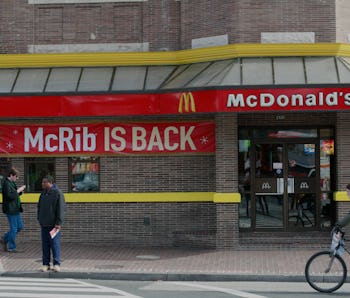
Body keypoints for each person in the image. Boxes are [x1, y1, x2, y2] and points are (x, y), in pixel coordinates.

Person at [37, 176, 65, 272]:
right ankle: (45, 264)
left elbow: (61, 208)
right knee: (45, 245)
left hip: (54, 225)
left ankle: (56, 264)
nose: (42, 184)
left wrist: (58, 222)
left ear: (50, 183)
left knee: (54, 244)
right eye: (42, 182)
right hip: (44, 224)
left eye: (44, 182)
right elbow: (39, 207)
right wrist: (39, 219)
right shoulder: (43, 194)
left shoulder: (57, 193)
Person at [2, 167, 25, 253]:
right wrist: (18, 190)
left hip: (16, 209)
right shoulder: (6, 184)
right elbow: (9, 196)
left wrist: (20, 193)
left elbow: (14, 195)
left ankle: (4, 238)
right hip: (10, 209)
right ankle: (12, 247)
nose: (17, 178)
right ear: (11, 175)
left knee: (20, 227)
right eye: (16, 176)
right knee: (14, 229)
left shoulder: (11, 183)